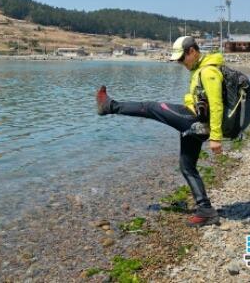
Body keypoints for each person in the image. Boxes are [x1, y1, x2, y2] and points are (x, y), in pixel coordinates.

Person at [95, 36, 223, 227]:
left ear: (192, 51)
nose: (180, 63)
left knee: (151, 108)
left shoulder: (208, 71)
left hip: (195, 122)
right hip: (197, 124)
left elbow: (217, 104)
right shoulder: (199, 69)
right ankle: (206, 211)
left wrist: (216, 137)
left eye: (181, 58)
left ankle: (109, 106)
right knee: (187, 166)